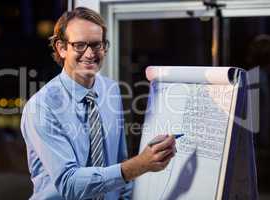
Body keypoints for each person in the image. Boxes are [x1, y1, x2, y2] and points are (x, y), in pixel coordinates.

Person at [20, 7, 176, 200]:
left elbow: (119, 160)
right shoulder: (42, 107)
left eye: (96, 44)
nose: (89, 53)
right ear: (61, 48)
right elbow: (70, 184)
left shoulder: (111, 90)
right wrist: (140, 165)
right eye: (79, 45)